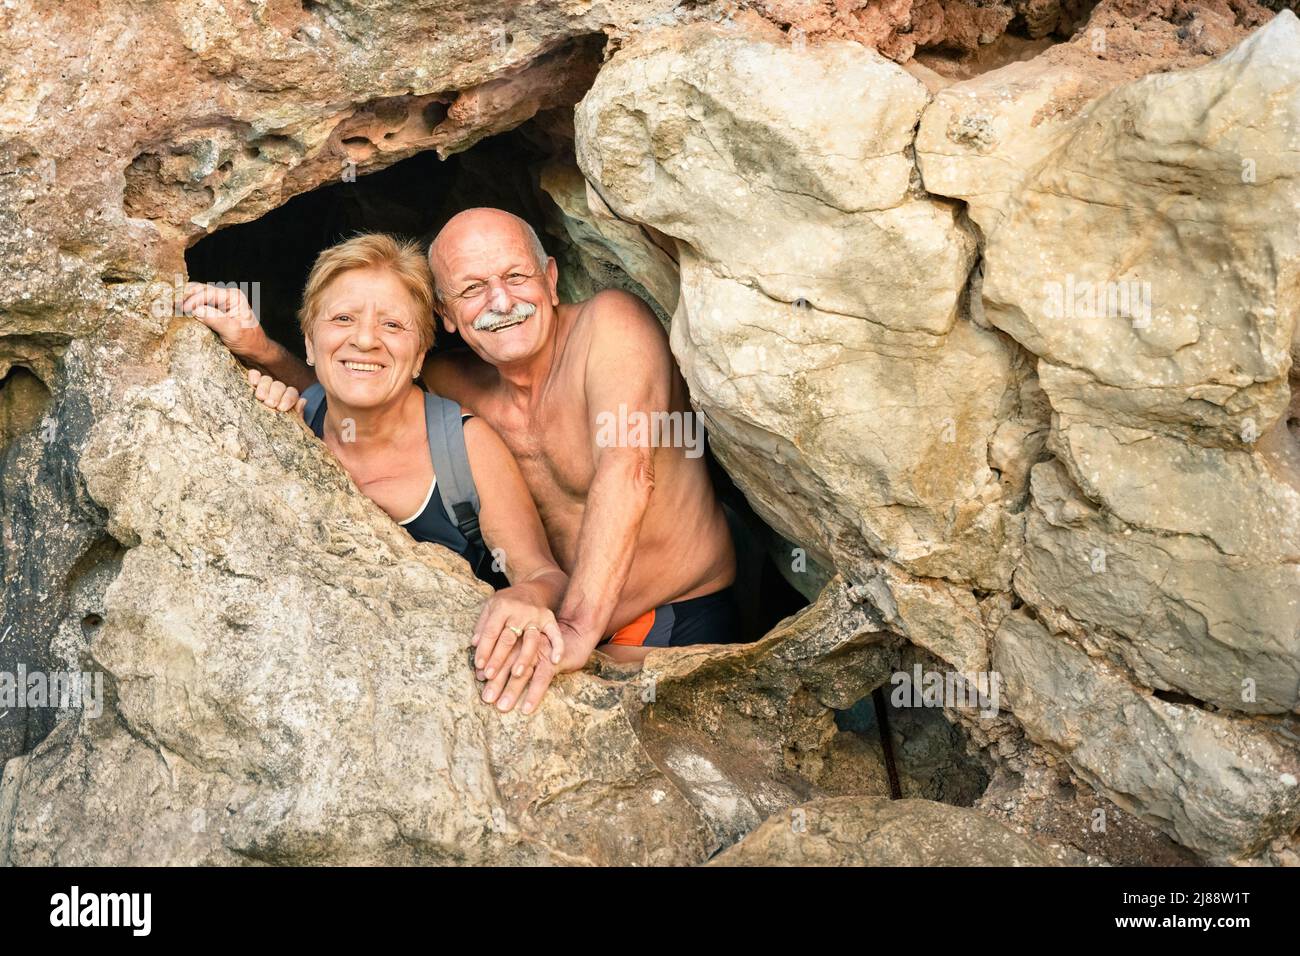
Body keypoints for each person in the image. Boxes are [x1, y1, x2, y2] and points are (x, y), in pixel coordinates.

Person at [196, 208, 741, 709]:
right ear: (446, 315)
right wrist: (259, 349)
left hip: (670, 619)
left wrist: (575, 628)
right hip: (545, 624)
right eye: (473, 289)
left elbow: (630, 469)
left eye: (516, 277)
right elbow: (357, 391)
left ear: (550, 280)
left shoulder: (610, 326)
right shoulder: (452, 384)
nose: (501, 302)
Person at [183, 233, 568, 716]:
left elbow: (543, 573)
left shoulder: (463, 447)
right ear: (308, 340)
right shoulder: (289, 422)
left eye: (392, 324)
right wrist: (259, 357)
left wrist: (526, 595)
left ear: (422, 354)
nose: (365, 339)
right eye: (343, 319)